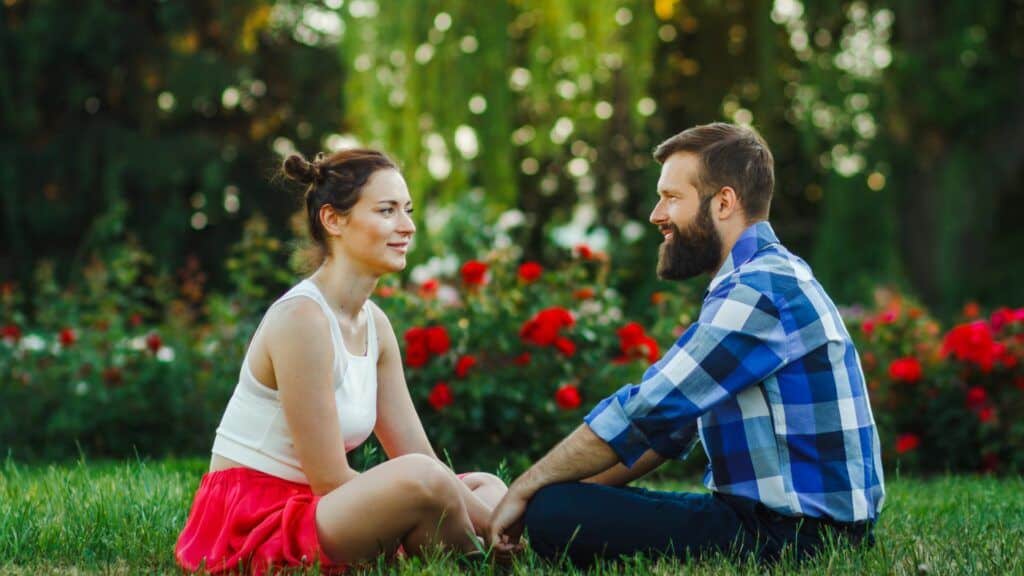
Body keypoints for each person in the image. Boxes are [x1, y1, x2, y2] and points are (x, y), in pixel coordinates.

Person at [489, 123, 885, 566]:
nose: (657, 214)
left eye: (672, 198)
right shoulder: (765, 276)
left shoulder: (758, 290)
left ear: (724, 202)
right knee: (562, 501)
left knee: (555, 514)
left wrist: (527, 489)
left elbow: (646, 411)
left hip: (792, 537)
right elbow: (669, 429)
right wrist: (564, 488)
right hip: (794, 527)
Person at [175, 149, 507, 575]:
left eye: (407, 210)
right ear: (333, 220)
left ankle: (482, 551)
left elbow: (420, 455)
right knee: (427, 482)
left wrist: (476, 504)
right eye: (387, 211)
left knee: (485, 485)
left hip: (321, 507)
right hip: (259, 517)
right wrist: (497, 520)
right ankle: (503, 548)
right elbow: (330, 481)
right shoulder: (302, 319)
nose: (407, 227)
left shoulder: (375, 325)